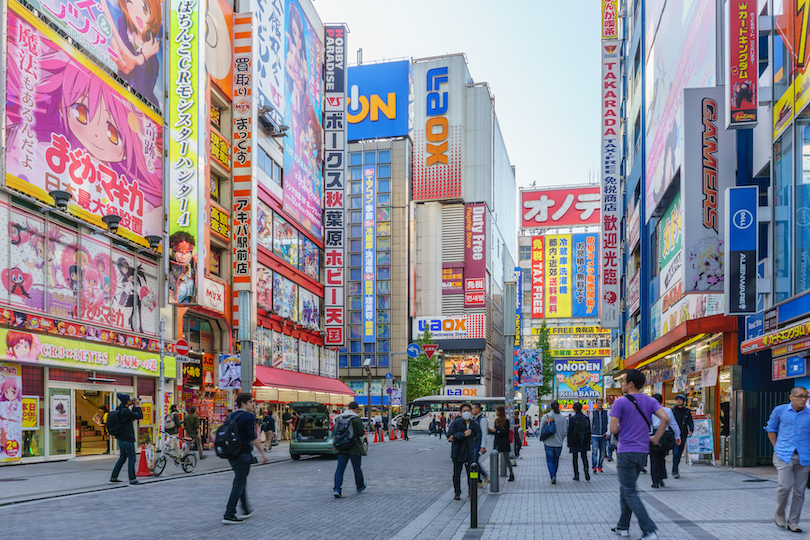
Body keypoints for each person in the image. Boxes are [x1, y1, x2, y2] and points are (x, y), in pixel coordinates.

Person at [609, 369, 669, 540]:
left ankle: (649, 530)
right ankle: (623, 526)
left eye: (623, 382)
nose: (621, 385)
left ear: (630, 384)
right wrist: (656, 438)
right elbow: (665, 418)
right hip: (642, 452)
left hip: (626, 451)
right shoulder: (650, 400)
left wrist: (623, 427)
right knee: (626, 488)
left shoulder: (620, 402)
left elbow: (613, 429)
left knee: (629, 491)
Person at [765, 386, 810, 533]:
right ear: (791, 397)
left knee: (800, 492)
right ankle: (779, 513)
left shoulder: (809, 414)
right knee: (785, 486)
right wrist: (776, 447)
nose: (804, 399)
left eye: (806, 396)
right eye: (800, 396)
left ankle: (794, 521)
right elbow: (771, 429)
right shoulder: (780, 410)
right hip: (784, 455)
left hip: (804, 457)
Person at [222, 393, 268, 524]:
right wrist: (263, 453)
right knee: (238, 483)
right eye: (251, 402)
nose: (253, 404)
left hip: (232, 453)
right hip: (243, 453)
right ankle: (229, 514)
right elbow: (252, 436)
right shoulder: (248, 416)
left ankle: (246, 509)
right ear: (243, 403)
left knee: (241, 480)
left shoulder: (231, 415)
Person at [447, 403, 481, 500]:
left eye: (468, 411)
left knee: (472, 473)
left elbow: (475, 436)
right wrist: (463, 435)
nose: (466, 413)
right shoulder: (455, 423)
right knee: (457, 473)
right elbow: (450, 437)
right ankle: (457, 492)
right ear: (460, 413)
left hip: (469, 452)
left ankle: (472, 491)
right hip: (457, 452)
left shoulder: (474, 424)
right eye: (464, 411)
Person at [333, 401, 367, 498]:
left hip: (341, 447)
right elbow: (361, 433)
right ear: (356, 409)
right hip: (354, 447)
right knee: (357, 468)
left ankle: (337, 489)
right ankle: (359, 486)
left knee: (340, 468)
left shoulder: (340, 417)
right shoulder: (356, 419)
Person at [109, 394, 143, 485]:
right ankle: (132, 479)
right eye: (130, 399)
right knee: (132, 458)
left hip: (120, 438)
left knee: (122, 458)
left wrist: (134, 407)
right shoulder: (125, 411)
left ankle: (114, 477)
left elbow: (132, 417)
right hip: (127, 438)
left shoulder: (120, 410)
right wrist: (137, 406)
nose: (132, 400)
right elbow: (139, 416)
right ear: (127, 401)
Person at [649, 393, 680, 489]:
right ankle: (661, 478)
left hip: (653, 434)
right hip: (665, 435)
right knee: (662, 458)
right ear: (661, 401)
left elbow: (647, 424)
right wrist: (677, 436)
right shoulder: (667, 410)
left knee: (654, 459)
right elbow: (673, 424)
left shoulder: (649, 411)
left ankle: (655, 481)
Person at [541, 401, 568, 484]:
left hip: (548, 442)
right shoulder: (563, 418)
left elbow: (541, 428)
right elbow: (564, 432)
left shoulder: (546, 416)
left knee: (549, 460)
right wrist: (561, 439)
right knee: (556, 460)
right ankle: (554, 474)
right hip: (558, 443)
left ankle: (553, 475)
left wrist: (542, 439)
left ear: (550, 407)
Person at [489, 405, 515, 481]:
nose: (495, 412)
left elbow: (505, 432)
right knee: (494, 458)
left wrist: (496, 431)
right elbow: (496, 433)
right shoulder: (496, 420)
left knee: (507, 459)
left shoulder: (506, 421)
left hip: (504, 442)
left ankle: (511, 474)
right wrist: (490, 431)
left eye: (496, 411)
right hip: (497, 442)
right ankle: (494, 475)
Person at [671, 394, 693, 478]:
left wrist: (691, 430)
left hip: (683, 434)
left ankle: (675, 468)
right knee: (676, 453)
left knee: (679, 453)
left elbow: (690, 422)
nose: (678, 401)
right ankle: (675, 470)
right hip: (674, 435)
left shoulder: (687, 411)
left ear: (684, 402)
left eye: (680, 399)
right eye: (677, 399)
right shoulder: (672, 411)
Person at [567, 402, 591, 481]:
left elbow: (569, 432)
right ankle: (586, 472)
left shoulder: (572, 419)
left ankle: (576, 475)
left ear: (574, 409)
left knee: (575, 458)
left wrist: (569, 443)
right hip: (584, 439)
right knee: (584, 457)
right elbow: (589, 430)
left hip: (575, 440)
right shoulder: (586, 418)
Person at [471, 403, 489, 485]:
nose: (472, 410)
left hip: (478, 444)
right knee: (473, 462)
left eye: (473, 408)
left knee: (474, 461)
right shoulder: (474, 419)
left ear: (478, 409)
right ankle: (478, 480)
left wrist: (483, 446)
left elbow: (484, 434)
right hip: (474, 443)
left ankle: (483, 476)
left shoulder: (482, 420)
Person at [591, 398, 609, 473]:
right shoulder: (592, 413)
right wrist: (590, 433)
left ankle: (600, 466)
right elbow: (590, 424)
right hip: (594, 435)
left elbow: (609, 423)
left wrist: (608, 432)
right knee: (594, 452)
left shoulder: (606, 413)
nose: (600, 405)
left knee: (603, 452)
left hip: (603, 435)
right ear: (596, 404)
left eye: (601, 403)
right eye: (598, 403)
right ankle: (594, 466)